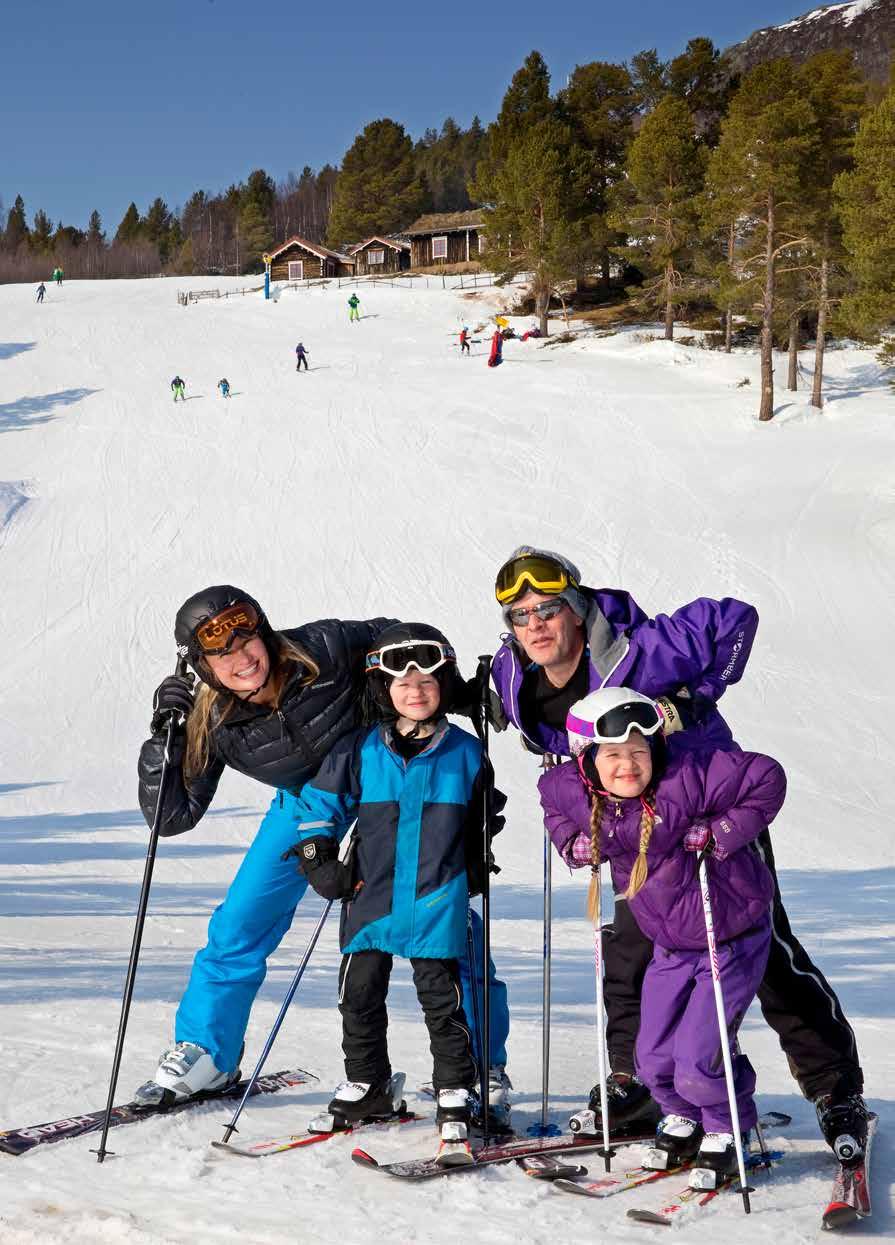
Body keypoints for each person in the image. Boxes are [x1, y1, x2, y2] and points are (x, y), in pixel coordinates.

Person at [490, 546, 868, 1158]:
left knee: (762, 950)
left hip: (708, 816)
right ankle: (643, 1082)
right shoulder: (513, 676)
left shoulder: (640, 651)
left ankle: (833, 1087)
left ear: (577, 609)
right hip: (627, 832)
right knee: (633, 953)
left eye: (549, 609)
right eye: (520, 614)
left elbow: (733, 618)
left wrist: (690, 700)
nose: (535, 624)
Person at [134, 588, 508, 1108]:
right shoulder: (209, 720)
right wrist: (164, 739)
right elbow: (169, 816)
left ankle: (483, 1066)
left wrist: (452, 688)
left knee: (445, 916)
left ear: (265, 632)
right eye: (224, 653)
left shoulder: (324, 647)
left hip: (391, 774)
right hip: (307, 804)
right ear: (202, 665)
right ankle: (207, 1052)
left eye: (249, 641)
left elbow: (403, 639)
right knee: (240, 921)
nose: (243, 659)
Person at [540, 687, 787, 1178]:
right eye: (612, 755)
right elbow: (553, 807)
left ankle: (724, 1122)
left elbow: (767, 777)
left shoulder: (688, 777)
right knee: (651, 1060)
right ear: (587, 760)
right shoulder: (569, 788)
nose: (627, 765)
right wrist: (573, 842)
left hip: (729, 938)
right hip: (670, 946)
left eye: (638, 752)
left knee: (698, 1059)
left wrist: (723, 832)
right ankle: (683, 1116)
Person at [287, 623, 502, 1144]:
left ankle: (455, 1087)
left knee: (442, 997)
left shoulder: (468, 753)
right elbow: (318, 808)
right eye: (403, 684)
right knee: (359, 992)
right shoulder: (360, 749)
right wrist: (319, 858)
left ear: (445, 687)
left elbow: (486, 811)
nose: (416, 692)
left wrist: (477, 852)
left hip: (436, 892)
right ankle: (369, 1082)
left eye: (428, 683)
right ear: (383, 689)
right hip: (371, 891)